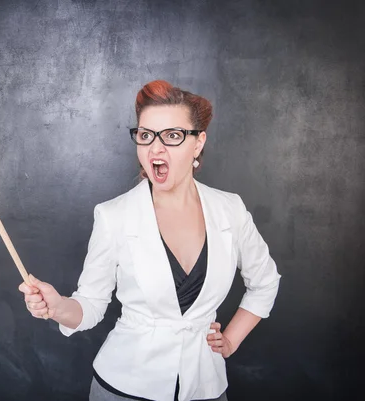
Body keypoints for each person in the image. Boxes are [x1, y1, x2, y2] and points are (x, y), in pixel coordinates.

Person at [18, 80, 281, 401]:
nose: (156, 148)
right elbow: (90, 305)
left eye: (172, 136)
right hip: (124, 387)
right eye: (146, 136)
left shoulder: (230, 209)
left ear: (198, 143)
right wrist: (57, 307)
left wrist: (231, 339)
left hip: (206, 387)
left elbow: (265, 282)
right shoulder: (113, 215)